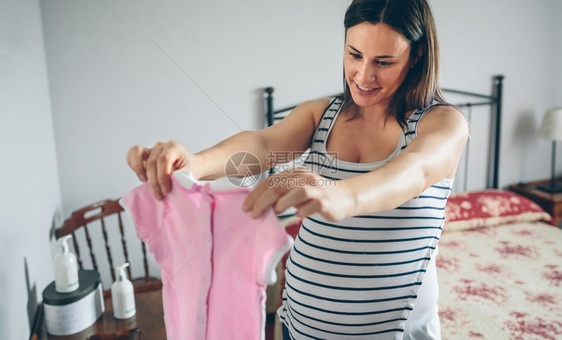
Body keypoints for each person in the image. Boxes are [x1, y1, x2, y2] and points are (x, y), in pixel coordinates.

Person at [126, 0, 468, 338]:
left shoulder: (443, 124)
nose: (364, 75)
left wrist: (341, 194)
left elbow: (413, 172)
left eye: (384, 61)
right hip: (297, 325)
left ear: (418, 54)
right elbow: (262, 145)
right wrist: (195, 163)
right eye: (354, 55)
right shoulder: (323, 114)